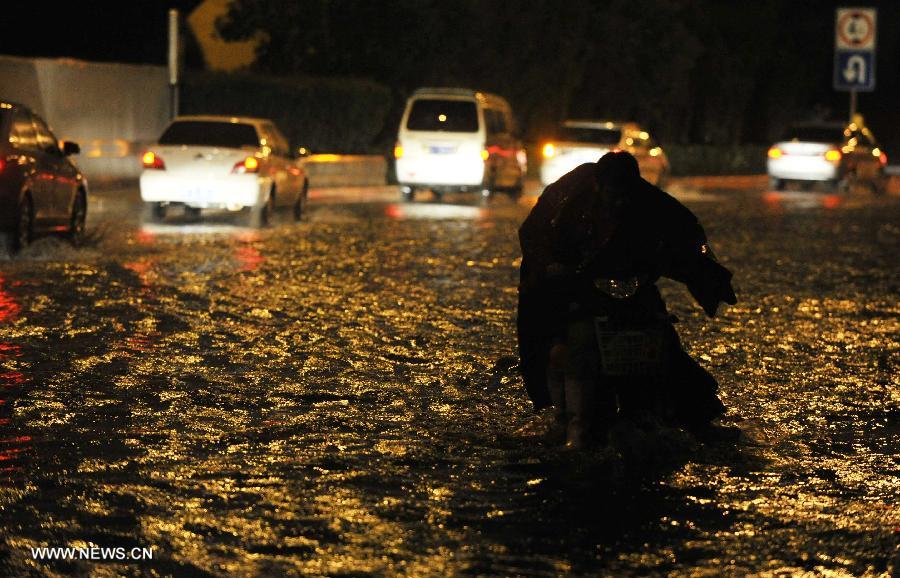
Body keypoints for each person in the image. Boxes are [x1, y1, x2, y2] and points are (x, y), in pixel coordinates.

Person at [517, 151, 737, 448]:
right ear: (598, 187)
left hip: (628, 284)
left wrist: (710, 279)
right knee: (558, 341)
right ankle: (563, 419)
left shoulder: (649, 202)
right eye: (614, 195)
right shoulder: (568, 198)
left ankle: (696, 420)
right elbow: (534, 233)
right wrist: (549, 267)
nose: (620, 201)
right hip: (569, 282)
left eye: (626, 195)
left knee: (662, 344)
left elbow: (687, 237)